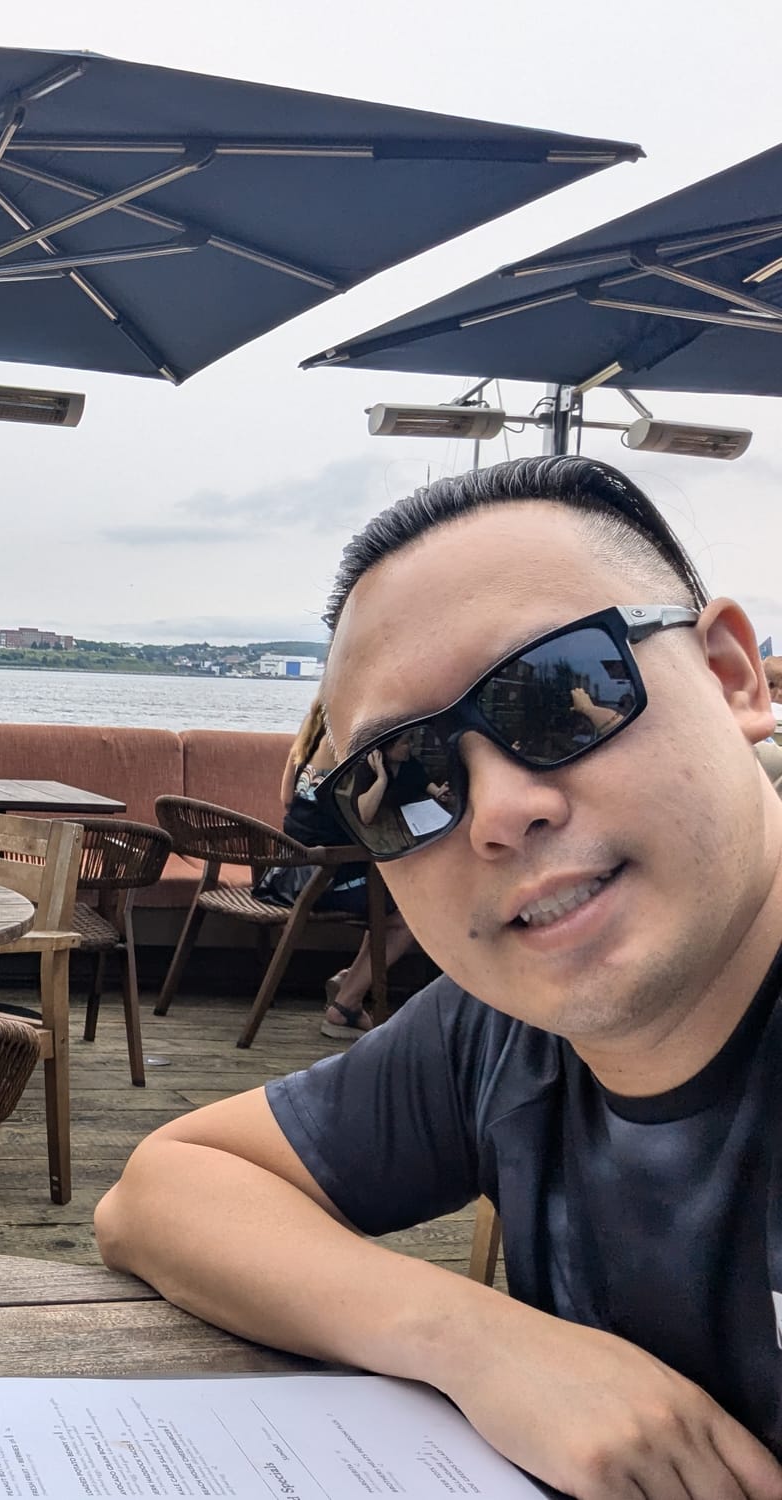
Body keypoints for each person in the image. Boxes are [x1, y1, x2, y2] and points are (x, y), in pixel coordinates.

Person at [96, 455, 782, 1496]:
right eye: (405, 780)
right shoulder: (502, 1034)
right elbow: (156, 1194)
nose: (500, 812)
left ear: (732, 677)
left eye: (559, 698)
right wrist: (476, 1340)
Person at [258, 696, 415, 1039]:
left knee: (381, 903)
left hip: (284, 875)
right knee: (405, 918)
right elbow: (365, 817)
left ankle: (349, 982)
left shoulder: (303, 749)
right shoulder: (352, 759)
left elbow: (287, 799)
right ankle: (344, 1005)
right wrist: (382, 781)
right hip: (322, 881)